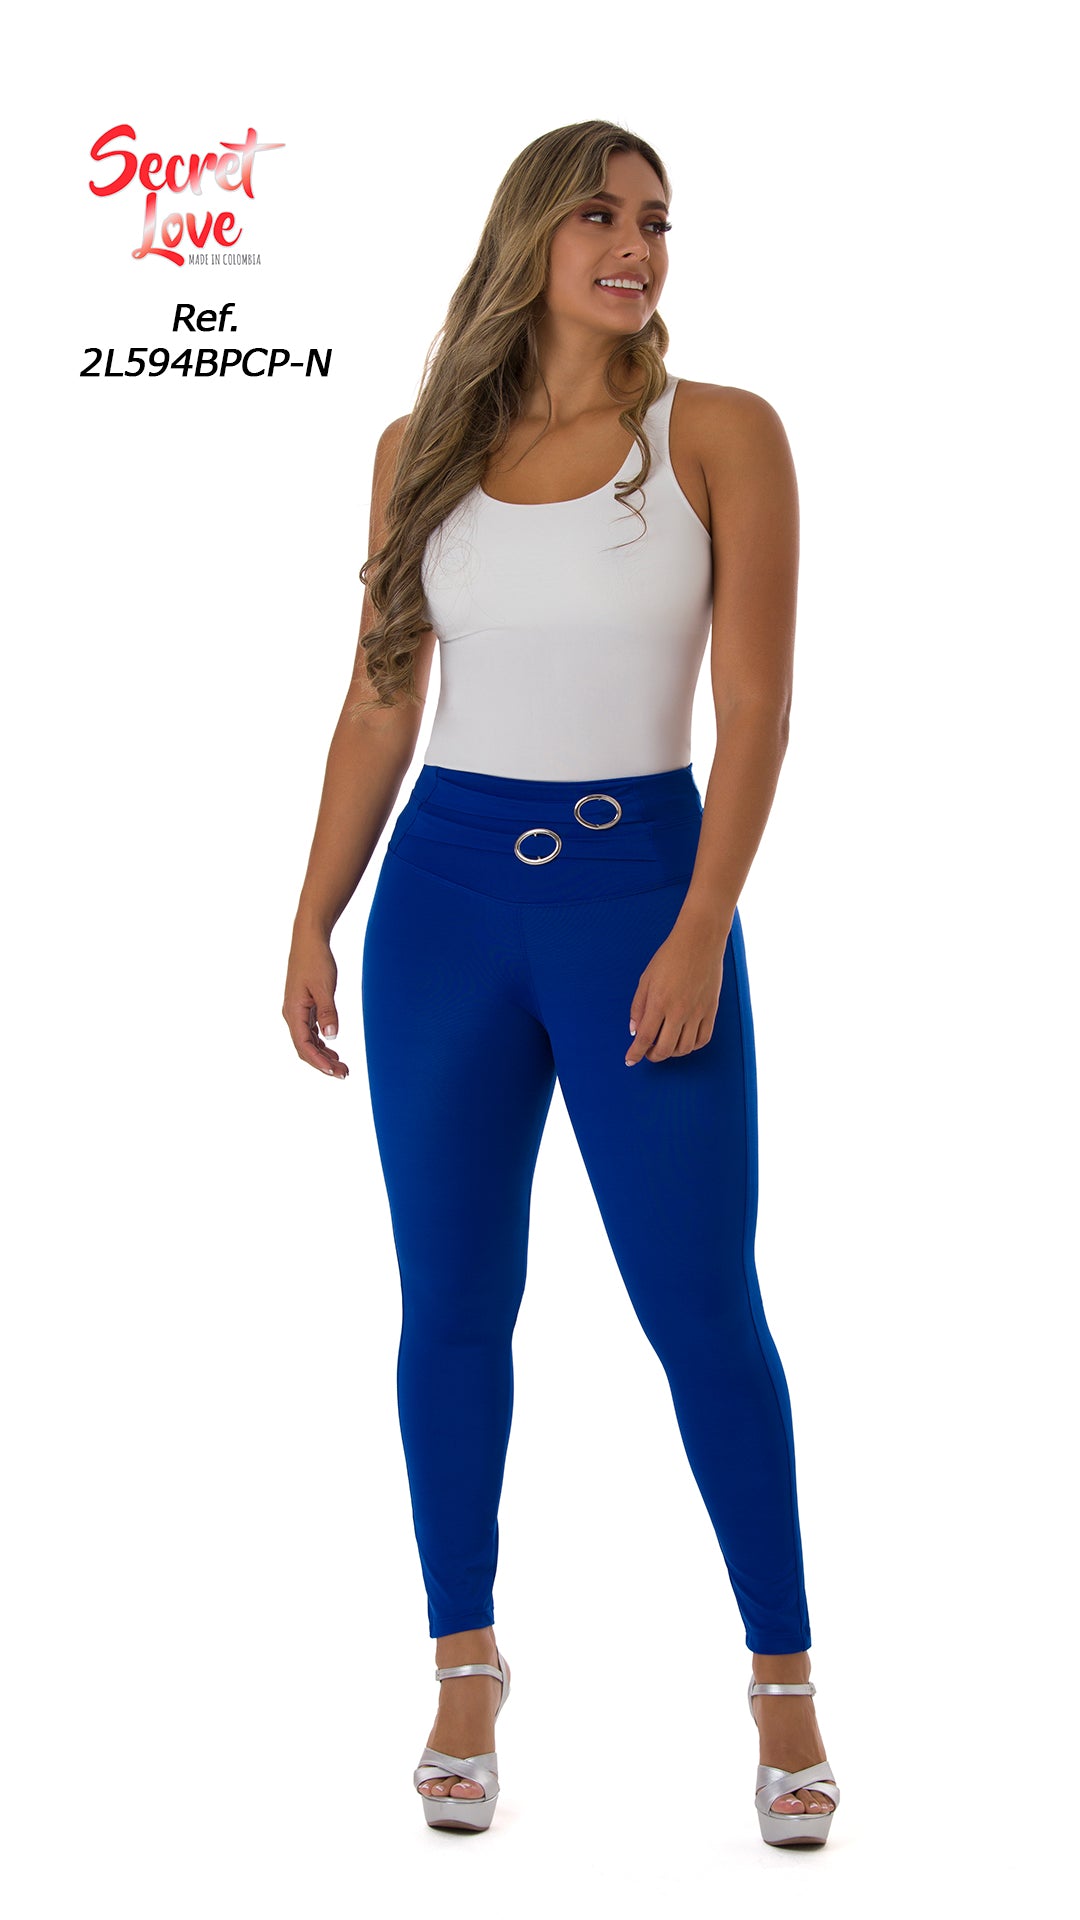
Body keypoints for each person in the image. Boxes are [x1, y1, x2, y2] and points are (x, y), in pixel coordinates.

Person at [282, 119, 839, 1848]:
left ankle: (785, 1684)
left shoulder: (721, 435)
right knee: (451, 1305)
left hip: (639, 894)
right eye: (599, 212)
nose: (635, 244)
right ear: (529, 234)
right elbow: (382, 696)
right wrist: (311, 914)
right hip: (443, 906)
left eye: (656, 219)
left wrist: (700, 923)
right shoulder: (418, 450)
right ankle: (464, 1665)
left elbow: (757, 710)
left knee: (702, 1307)